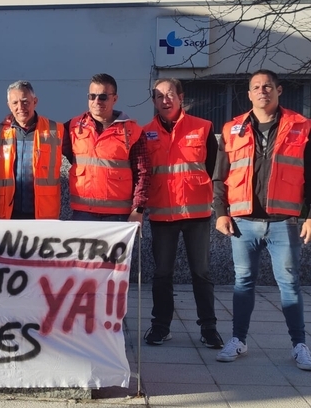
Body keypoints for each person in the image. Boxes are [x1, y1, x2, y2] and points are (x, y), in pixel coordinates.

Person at [213, 69, 311, 370]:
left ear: (279, 90)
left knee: (289, 283)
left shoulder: (301, 126)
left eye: (267, 86)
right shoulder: (232, 129)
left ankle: (299, 345)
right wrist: (221, 212)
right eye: (256, 87)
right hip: (244, 221)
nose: (262, 91)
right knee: (243, 282)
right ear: (249, 94)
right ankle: (238, 340)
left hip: (285, 221)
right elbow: (220, 175)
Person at [142, 78, 222, 348]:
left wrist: (220, 208)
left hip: (196, 215)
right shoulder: (145, 133)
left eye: (169, 95)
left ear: (180, 97)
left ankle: (209, 328)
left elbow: (215, 171)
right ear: (153, 101)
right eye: (159, 96)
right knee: (162, 274)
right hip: (162, 215)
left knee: (201, 273)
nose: (165, 100)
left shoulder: (202, 127)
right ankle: (160, 326)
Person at [62, 73, 149, 222]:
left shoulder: (133, 131)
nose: (97, 101)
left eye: (103, 97)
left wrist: (138, 209)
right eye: (92, 96)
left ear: (115, 99)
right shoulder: (72, 127)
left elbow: (143, 174)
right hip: (83, 214)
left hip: (118, 217)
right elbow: (45, 136)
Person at [0, 80, 63, 220]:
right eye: (15, 103)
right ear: (9, 106)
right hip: (9, 213)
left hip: (44, 213)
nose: (20, 107)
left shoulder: (56, 130)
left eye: (25, 102)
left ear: (35, 101)